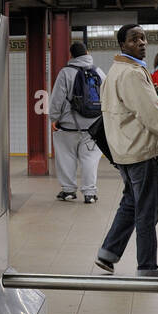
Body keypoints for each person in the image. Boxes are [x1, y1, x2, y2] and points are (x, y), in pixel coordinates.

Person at [95, 24, 158, 278]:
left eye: (143, 38)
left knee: (131, 203)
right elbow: (153, 117)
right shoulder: (133, 74)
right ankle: (147, 267)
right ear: (122, 45)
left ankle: (108, 253)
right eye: (134, 39)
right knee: (149, 211)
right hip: (143, 152)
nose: (142, 42)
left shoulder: (115, 72)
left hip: (124, 150)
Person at [48, 41, 106, 204]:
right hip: (93, 127)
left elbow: (57, 99)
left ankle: (68, 191)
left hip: (68, 126)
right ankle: (90, 193)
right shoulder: (99, 72)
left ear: (71, 56)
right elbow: (108, 96)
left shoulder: (66, 73)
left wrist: (54, 119)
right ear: (87, 53)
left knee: (66, 157)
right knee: (90, 160)